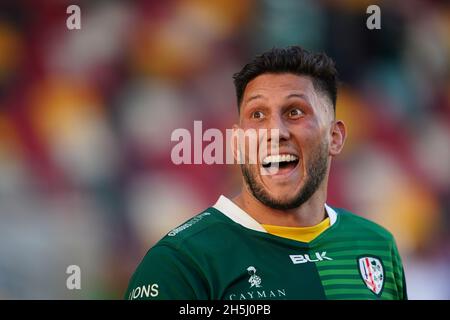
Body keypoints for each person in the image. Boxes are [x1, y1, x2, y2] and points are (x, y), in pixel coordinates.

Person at [125, 46, 407, 300]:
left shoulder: (376, 245)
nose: (275, 132)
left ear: (335, 137)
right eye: (257, 115)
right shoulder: (182, 264)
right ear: (236, 143)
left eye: (295, 112)